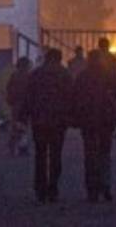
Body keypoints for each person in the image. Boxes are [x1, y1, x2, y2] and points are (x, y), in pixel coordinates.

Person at [22, 48, 74, 203]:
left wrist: (24, 116)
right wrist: (72, 116)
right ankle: (53, 188)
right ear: (59, 58)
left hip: (39, 119)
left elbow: (28, 97)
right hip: (58, 120)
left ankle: (40, 188)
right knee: (56, 155)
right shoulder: (65, 74)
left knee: (40, 154)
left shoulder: (36, 74)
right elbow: (71, 97)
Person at [73, 50, 116, 202]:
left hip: (88, 120)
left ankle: (91, 189)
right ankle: (105, 185)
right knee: (105, 154)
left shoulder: (82, 77)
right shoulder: (110, 76)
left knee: (90, 155)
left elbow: (75, 97)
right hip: (106, 120)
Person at [5, 56, 32, 156]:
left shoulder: (15, 76)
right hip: (25, 105)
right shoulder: (28, 76)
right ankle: (21, 147)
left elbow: (9, 89)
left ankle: (13, 146)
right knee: (23, 126)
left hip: (16, 105)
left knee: (17, 125)